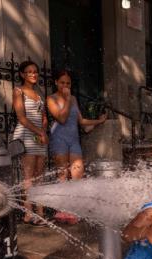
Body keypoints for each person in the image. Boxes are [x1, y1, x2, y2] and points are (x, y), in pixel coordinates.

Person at [46, 69, 106, 224]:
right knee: (62, 175)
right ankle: (62, 209)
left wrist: (98, 121)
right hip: (59, 139)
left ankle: (74, 208)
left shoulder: (73, 98)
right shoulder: (51, 99)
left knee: (78, 173)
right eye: (62, 82)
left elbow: (80, 121)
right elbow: (62, 118)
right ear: (56, 83)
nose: (65, 85)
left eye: (68, 83)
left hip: (73, 140)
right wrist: (66, 100)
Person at [12, 60, 49, 226]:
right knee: (28, 177)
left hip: (39, 136)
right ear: (22, 74)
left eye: (35, 71)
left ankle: (40, 212)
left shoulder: (39, 93)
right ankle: (28, 214)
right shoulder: (18, 91)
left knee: (39, 176)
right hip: (26, 134)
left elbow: (43, 116)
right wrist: (40, 131)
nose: (33, 74)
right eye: (29, 72)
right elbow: (21, 117)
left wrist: (44, 128)